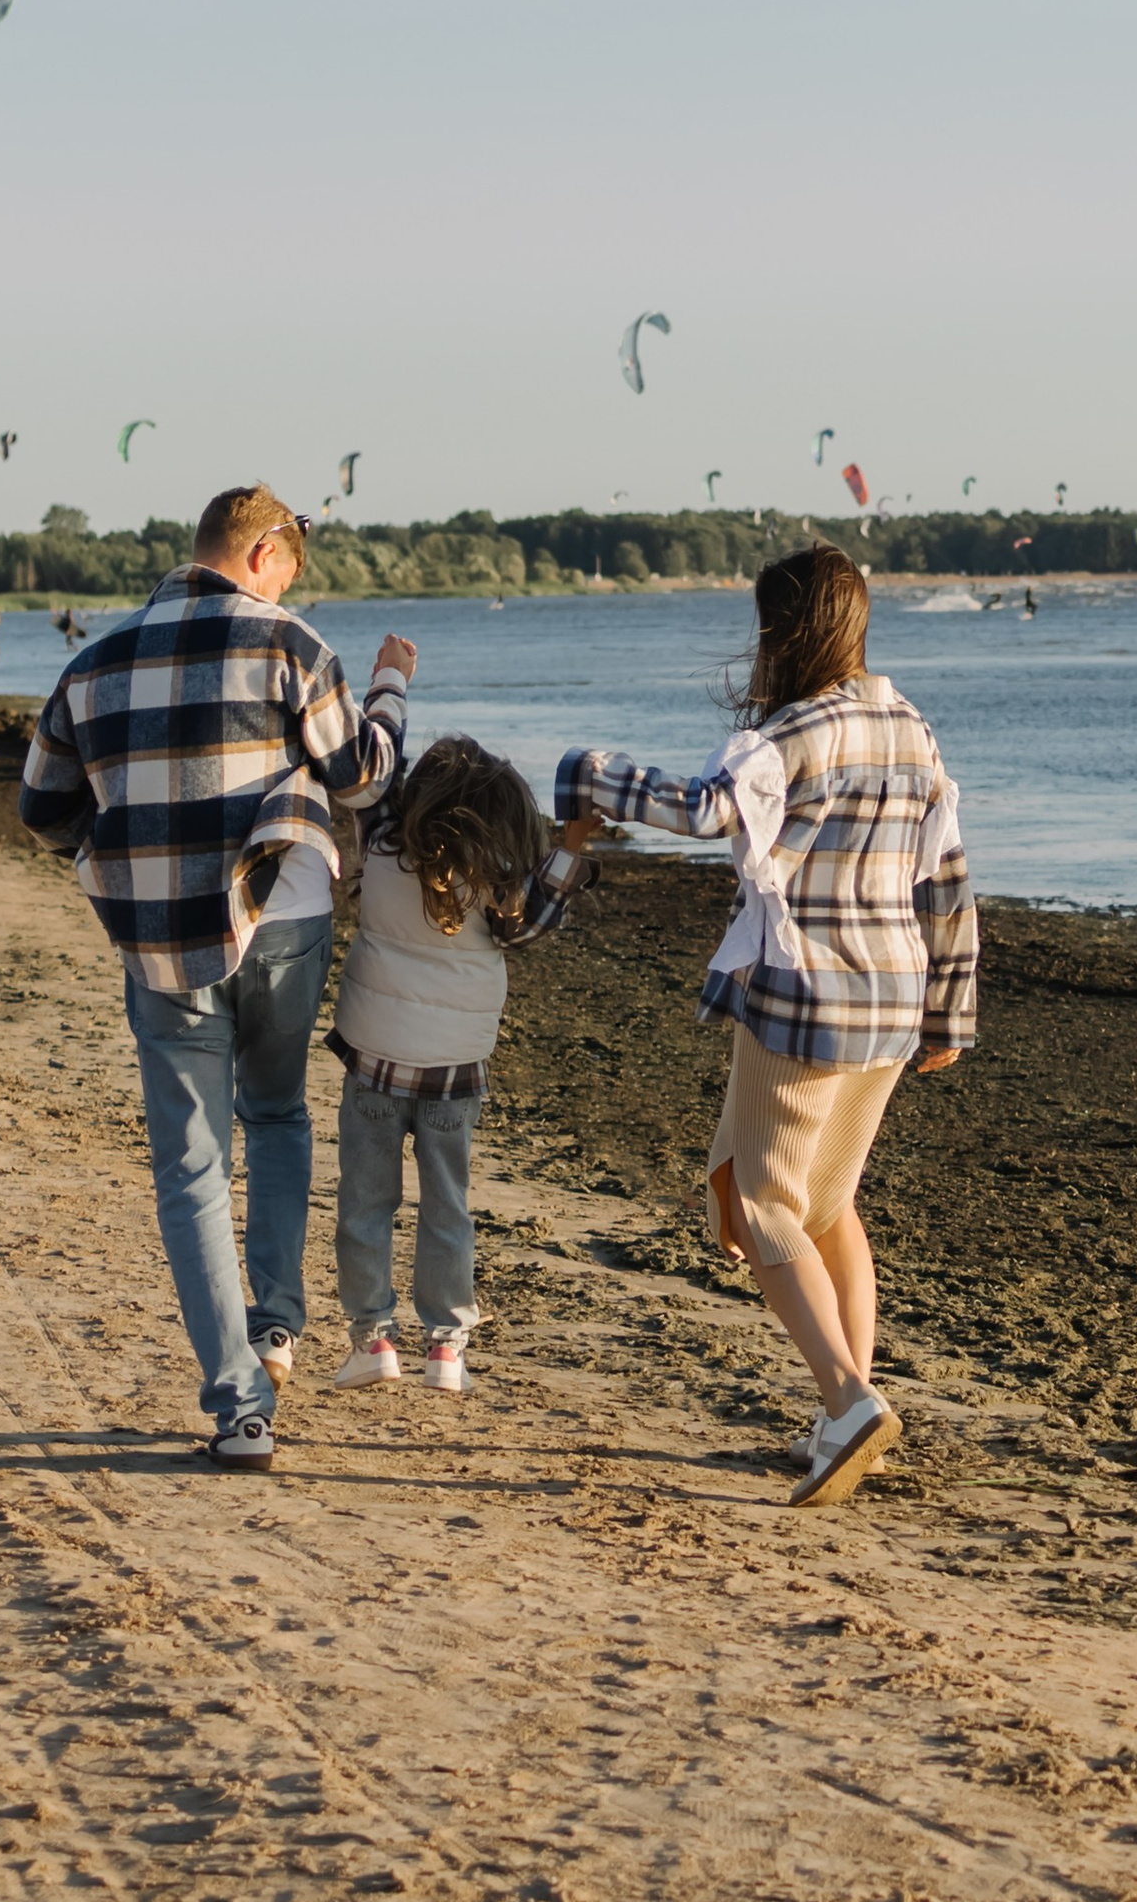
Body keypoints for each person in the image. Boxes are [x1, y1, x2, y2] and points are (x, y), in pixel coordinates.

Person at [559, 544, 977, 1509]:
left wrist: (595, 774)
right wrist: (953, 1006)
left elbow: (706, 812)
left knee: (763, 1208)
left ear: (783, 632)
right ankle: (843, 1411)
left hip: (805, 1001)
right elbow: (948, 876)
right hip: (895, 1001)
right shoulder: (910, 725)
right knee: (827, 1208)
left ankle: (846, 1399)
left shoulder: (794, 733)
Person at [18, 483, 413, 1467]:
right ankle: (275, 1325)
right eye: (289, 571)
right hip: (284, 924)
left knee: (192, 1169)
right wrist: (392, 692)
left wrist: (121, 858)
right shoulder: (289, 644)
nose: (287, 588)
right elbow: (363, 776)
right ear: (263, 552)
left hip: (161, 944)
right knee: (276, 1115)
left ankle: (240, 1410)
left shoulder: (91, 662)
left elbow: (40, 804)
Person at [326, 738, 594, 1395]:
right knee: (448, 1207)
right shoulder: (497, 885)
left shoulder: (384, 847)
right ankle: (446, 1349)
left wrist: (393, 685)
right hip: (454, 1071)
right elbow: (541, 917)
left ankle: (373, 1339)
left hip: (375, 1063)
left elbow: (371, 775)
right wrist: (573, 844)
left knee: (365, 1204)